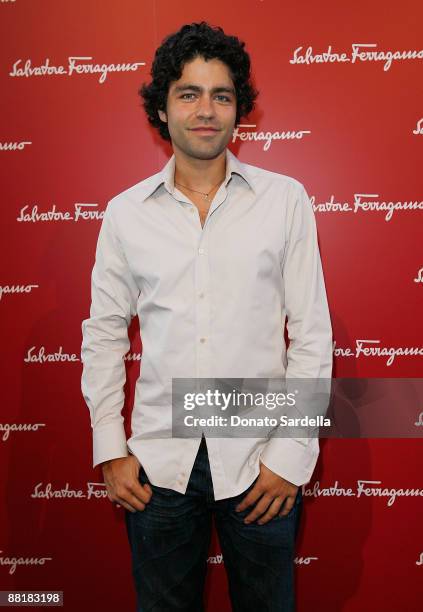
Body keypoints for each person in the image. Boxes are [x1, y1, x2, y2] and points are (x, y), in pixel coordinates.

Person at [81, 21, 333, 612]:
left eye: (221, 95)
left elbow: (312, 335)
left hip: (260, 459)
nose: (206, 110)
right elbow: (103, 335)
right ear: (162, 109)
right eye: (188, 93)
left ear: (238, 110)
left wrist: (291, 457)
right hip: (157, 466)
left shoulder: (285, 200)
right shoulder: (125, 214)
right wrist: (110, 447)